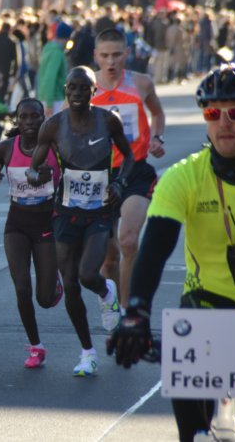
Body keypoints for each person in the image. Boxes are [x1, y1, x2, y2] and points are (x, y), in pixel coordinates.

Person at [108, 63, 235, 441]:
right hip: (208, 304)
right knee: (192, 423)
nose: (224, 123)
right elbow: (154, 247)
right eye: (213, 113)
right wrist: (136, 312)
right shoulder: (183, 176)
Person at [27, 66, 134, 376]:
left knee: (88, 274)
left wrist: (120, 184)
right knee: (71, 284)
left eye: (83, 88)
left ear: (93, 91)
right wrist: (36, 175)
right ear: (65, 91)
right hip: (65, 211)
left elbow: (128, 157)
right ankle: (87, 352)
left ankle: (106, 292)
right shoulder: (53, 126)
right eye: (72, 88)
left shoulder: (108, 121)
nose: (77, 93)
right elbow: (34, 167)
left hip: (100, 210)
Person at [0, 98, 63, 368]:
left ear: (43, 119)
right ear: (17, 120)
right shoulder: (6, 148)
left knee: (44, 299)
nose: (29, 122)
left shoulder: (55, 147)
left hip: (47, 224)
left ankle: (54, 284)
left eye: (34, 116)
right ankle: (36, 346)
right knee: (22, 288)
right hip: (16, 225)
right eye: (23, 117)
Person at [92, 28, 166, 306]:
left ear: (127, 53)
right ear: (96, 56)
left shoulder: (141, 83)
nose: (111, 62)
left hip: (135, 171)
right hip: (100, 175)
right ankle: (112, 303)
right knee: (109, 258)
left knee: (129, 241)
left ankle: (127, 311)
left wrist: (156, 138)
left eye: (116, 55)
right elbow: (64, 124)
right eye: (105, 56)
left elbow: (157, 113)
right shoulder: (86, 86)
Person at [37, 21, 72, 116]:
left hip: (44, 96)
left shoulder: (48, 49)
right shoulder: (57, 53)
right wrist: (49, 104)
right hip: (55, 99)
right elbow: (50, 77)